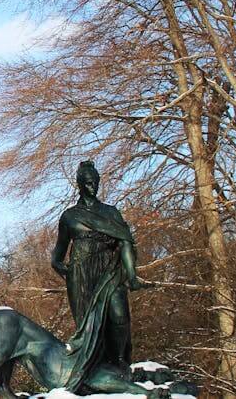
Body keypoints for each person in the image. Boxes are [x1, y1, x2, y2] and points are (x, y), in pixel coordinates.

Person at [50, 161, 152, 391]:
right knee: (88, 327)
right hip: (81, 274)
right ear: (79, 184)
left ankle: (119, 362)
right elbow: (58, 252)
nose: (93, 186)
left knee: (119, 317)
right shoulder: (70, 216)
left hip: (108, 270)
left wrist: (132, 276)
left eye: (95, 182)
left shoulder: (110, 212)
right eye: (88, 182)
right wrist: (60, 267)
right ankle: (94, 370)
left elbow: (125, 241)